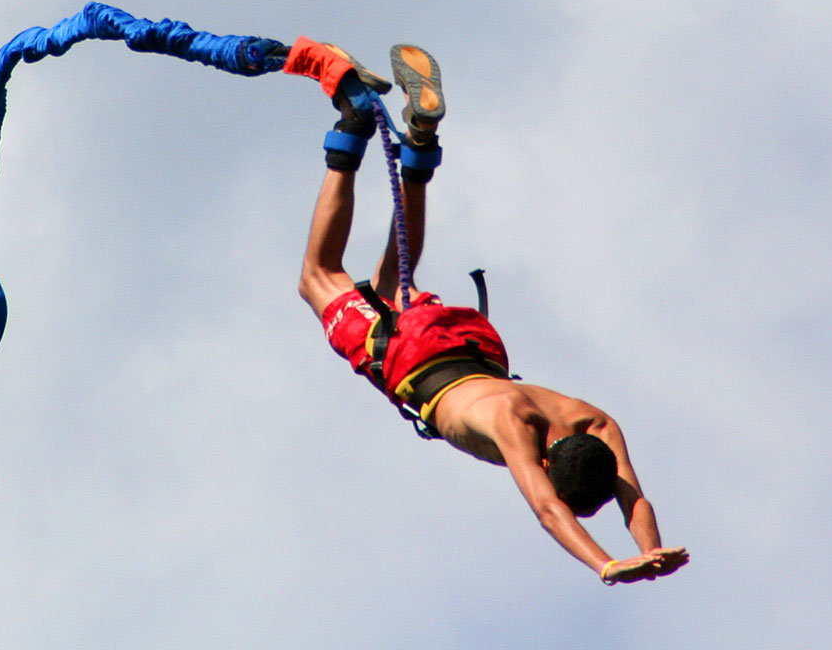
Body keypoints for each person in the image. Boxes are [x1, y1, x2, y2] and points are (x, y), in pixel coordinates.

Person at [282, 38, 689, 585]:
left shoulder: (594, 422)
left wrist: (653, 550)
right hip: (420, 363)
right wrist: (608, 563)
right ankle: (354, 120)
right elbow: (548, 510)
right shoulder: (513, 428)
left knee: (392, 283)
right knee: (318, 277)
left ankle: (421, 150)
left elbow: (632, 495)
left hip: (473, 346)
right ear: (548, 465)